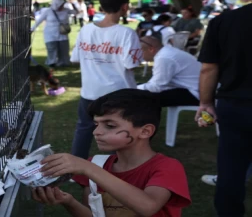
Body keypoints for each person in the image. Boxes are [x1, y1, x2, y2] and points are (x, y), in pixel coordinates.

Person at [32, 89, 191, 216]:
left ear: (145, 131)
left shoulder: (168, 167)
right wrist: (69, 202)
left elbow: (148, 206)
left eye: (110, 126)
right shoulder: (97, 164)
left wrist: (88, 168)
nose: (96, 132)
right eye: (96, 124)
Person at [195, 0, 252, 216]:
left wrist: (205, 102)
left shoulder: (225, 21)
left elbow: (209, 68)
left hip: (235, 106)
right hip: (235, 105)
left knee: (231, 170)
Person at [69, 0, 142, 160]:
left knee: (84, 128)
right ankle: (113, 170)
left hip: (90, 91)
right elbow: (131, 64)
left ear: (101, 6)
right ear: (125, 7)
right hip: (119, 93)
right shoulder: (126, 33)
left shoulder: (86, 30)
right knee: (117, 130)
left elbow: (75, 58)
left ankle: (74, 168)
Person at [137, 36, 200, 107]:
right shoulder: (166, 52)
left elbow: (156, 87)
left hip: (196, 93)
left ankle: (145, 118)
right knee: (142, 91)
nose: (138, 54)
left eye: (140, 51)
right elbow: (158, 84)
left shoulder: (164, 58)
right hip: (194, 89)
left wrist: (133, 87)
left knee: (141, 97)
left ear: (151, 49)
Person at [31, 0, 78, 67]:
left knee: (63, 49)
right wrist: (32, 29)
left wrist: (73, 4)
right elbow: (39, 20)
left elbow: (75, 12)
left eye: (62, 5)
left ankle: (63, 62)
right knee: (51, 48)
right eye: (60, 6)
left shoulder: (66, 10)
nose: (61, 7)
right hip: (50, 33)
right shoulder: (48, 11)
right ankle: (52, 62)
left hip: (62, 33)